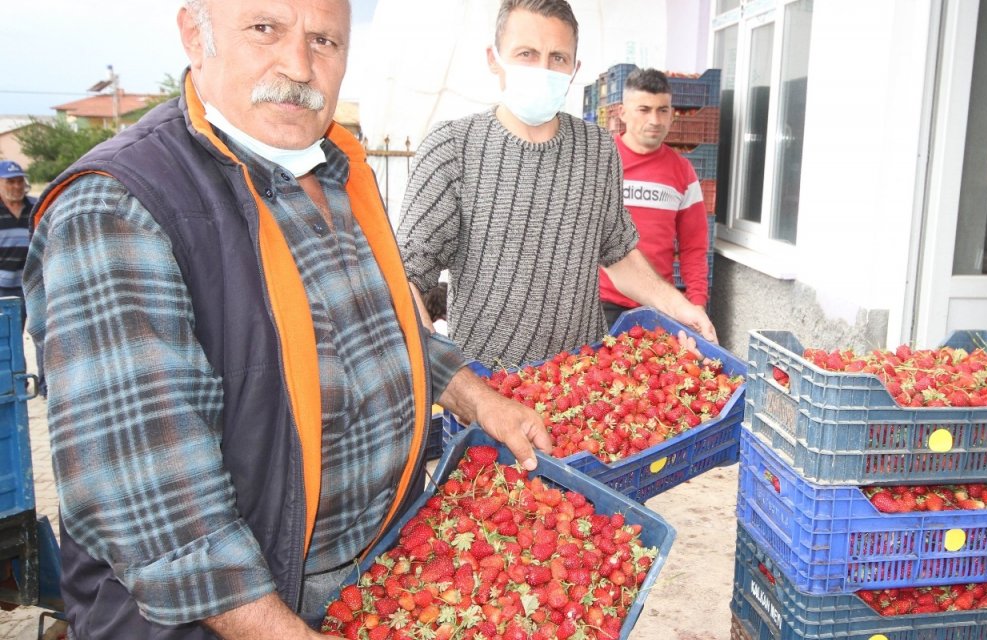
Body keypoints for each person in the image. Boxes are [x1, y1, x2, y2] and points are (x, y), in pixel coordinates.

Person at [23, 1, 550, 637]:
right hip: (246, 615)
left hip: (372, 576)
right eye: (265, 28)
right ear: (197, 34)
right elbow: (159, 514)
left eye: (325, 40)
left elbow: (383, 331)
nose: (299, 65)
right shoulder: (119, 208)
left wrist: (476, 397)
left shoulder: (338, 170)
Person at [396, 0, 717, 368]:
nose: (543, 69)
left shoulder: (597, 149)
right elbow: (405, 279)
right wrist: (447, 379)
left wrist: (680, 306)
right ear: (493, 58)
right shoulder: (452, 147)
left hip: (580, 382)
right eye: (526, 54)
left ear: (574, 69)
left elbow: (617, 252)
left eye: (558, 58)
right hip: (488, 390)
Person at [600, 69, 710, 328]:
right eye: (644, 109)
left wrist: (696, 303)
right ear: (622, 112)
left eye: (663, 110)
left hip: (657, 307)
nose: (655, 119)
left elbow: (693, 246)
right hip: (599, 304)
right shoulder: (600, 163)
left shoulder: (683, 172)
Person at [0, 160, 34, 306]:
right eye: (11, 181)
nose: (17, 186)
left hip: (32, 287)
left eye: (20, 181)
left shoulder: (36, 207)